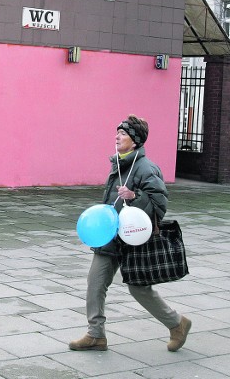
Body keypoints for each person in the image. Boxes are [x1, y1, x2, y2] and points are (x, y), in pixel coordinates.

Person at [69, 115, 191, 352]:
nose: (117, 137)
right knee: (95, 282)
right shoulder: (119, 163)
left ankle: (177, 324)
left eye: (123, 134)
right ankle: (96, 334)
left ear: (135, 141)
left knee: (139, 288)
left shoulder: (146, 167)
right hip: (111, 236)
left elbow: (159, 204)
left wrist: (135, 197)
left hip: (135, 237)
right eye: (117, 132)